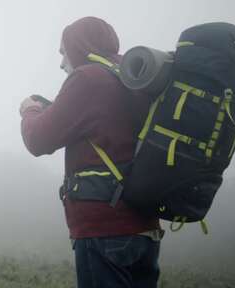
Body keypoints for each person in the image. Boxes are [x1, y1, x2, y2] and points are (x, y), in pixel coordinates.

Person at [19, 17, 162, 287]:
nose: (62, 63)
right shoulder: (134, 78)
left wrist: (29, 109)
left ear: (79, 45)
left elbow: (38, 140)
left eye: (63, 52)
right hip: (145, 230)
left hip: (105, 231)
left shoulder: (88, 77)